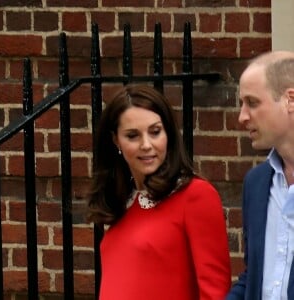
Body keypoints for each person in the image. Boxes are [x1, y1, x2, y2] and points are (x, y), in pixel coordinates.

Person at [88, 84, 231, 300]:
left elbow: (215, 292)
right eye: (133, 136)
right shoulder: (121, 203)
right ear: (116, 140)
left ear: (168, 134)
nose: (146, 145)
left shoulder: (196, 195)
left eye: (155, 132)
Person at [227, 51, 294, 300]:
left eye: (253, 103)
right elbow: (254, 278)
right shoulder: (256, 183)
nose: (242, 116)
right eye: (242, 104)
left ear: (290, 100)